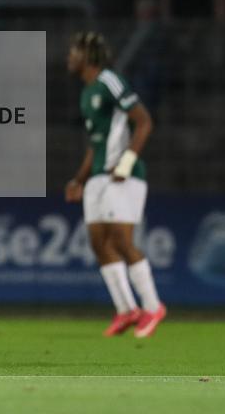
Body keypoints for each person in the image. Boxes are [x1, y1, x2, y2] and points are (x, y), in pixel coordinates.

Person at [64, 32, 166, 338]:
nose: (69, 57)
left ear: (87, 56)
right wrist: (78, 179)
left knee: (121, 239)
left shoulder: (110, 80)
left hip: (123, 174)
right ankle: (126, 310)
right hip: (97, 176)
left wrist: (125, 163)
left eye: (73, 52)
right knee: (99, 243)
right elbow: (95, 145)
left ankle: (152, 306)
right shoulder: (86, 93)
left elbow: (144, 120)